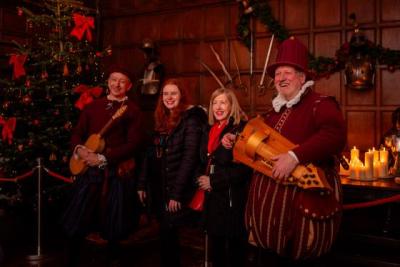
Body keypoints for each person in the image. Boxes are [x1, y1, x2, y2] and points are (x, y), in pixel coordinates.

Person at [223, 37, 346, 266]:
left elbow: (335, 135)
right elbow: (256, 142)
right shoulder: (273, 111)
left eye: (287, 73)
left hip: (300, 211)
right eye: (278, 74)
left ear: (302, 77)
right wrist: (235, 138)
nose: (281, 78)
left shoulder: (320, 104)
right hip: (268, 220)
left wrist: (295, 156)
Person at [62, 65, 142, 267]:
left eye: (122, 81)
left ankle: (112, 259)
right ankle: (72, 259)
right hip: (88, 171)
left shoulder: (132, 110)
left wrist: (105, 158)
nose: (117, 84)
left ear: (129, 86)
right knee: (79, 217)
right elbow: (77, 133)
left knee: (114, 221)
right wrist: (80, 150)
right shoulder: (92, 106)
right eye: (113, 79)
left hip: (114, 172)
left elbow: (133, 144)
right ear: (108, 82)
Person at [137, 78, 207, 267]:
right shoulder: (163, 118)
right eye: (165, 94)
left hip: (177, 186)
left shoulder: (191, 120)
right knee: (165, 233)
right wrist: (142, 184)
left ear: (181, 96)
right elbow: (149, 154)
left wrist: (176, 193)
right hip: (160, 184)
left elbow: (189, 158)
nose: (169, 97)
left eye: (173, 93)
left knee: (170, 232)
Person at [196, 88, 252, 267]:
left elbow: (245, 169)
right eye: (215, 103)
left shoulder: (240, 129)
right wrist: (201, 179)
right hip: (211, 198)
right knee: (216, 249)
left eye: (223, 102)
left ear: (231, 105)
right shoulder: (209, 129)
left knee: (235, 251)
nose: (218, 107)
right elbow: (202, 160)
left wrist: (214, 181)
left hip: (231, 198)